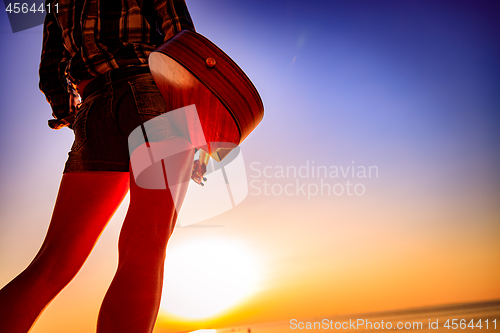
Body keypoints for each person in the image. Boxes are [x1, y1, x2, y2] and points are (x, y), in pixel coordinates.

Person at [0, 0, 205, 332]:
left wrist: (75, 116)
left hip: (92, 103)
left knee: (51, 263)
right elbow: (183, 44)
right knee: (145, 247)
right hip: (154, 93)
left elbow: (51, 70)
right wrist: (193, 130)